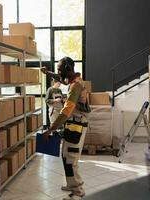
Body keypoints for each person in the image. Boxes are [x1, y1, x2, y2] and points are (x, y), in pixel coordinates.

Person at [41, 57, 91, 200]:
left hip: (77, 123)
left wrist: (50, 129)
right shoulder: (72, 79)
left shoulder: (76, 85)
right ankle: (71, 184)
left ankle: (78, 191)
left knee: (71, 158)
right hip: (73, 123)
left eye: (60, 69)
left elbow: (66, 111)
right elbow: (60, 78)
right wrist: (48, 73)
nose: (58, 72)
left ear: (68, 70)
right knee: (65, 155)